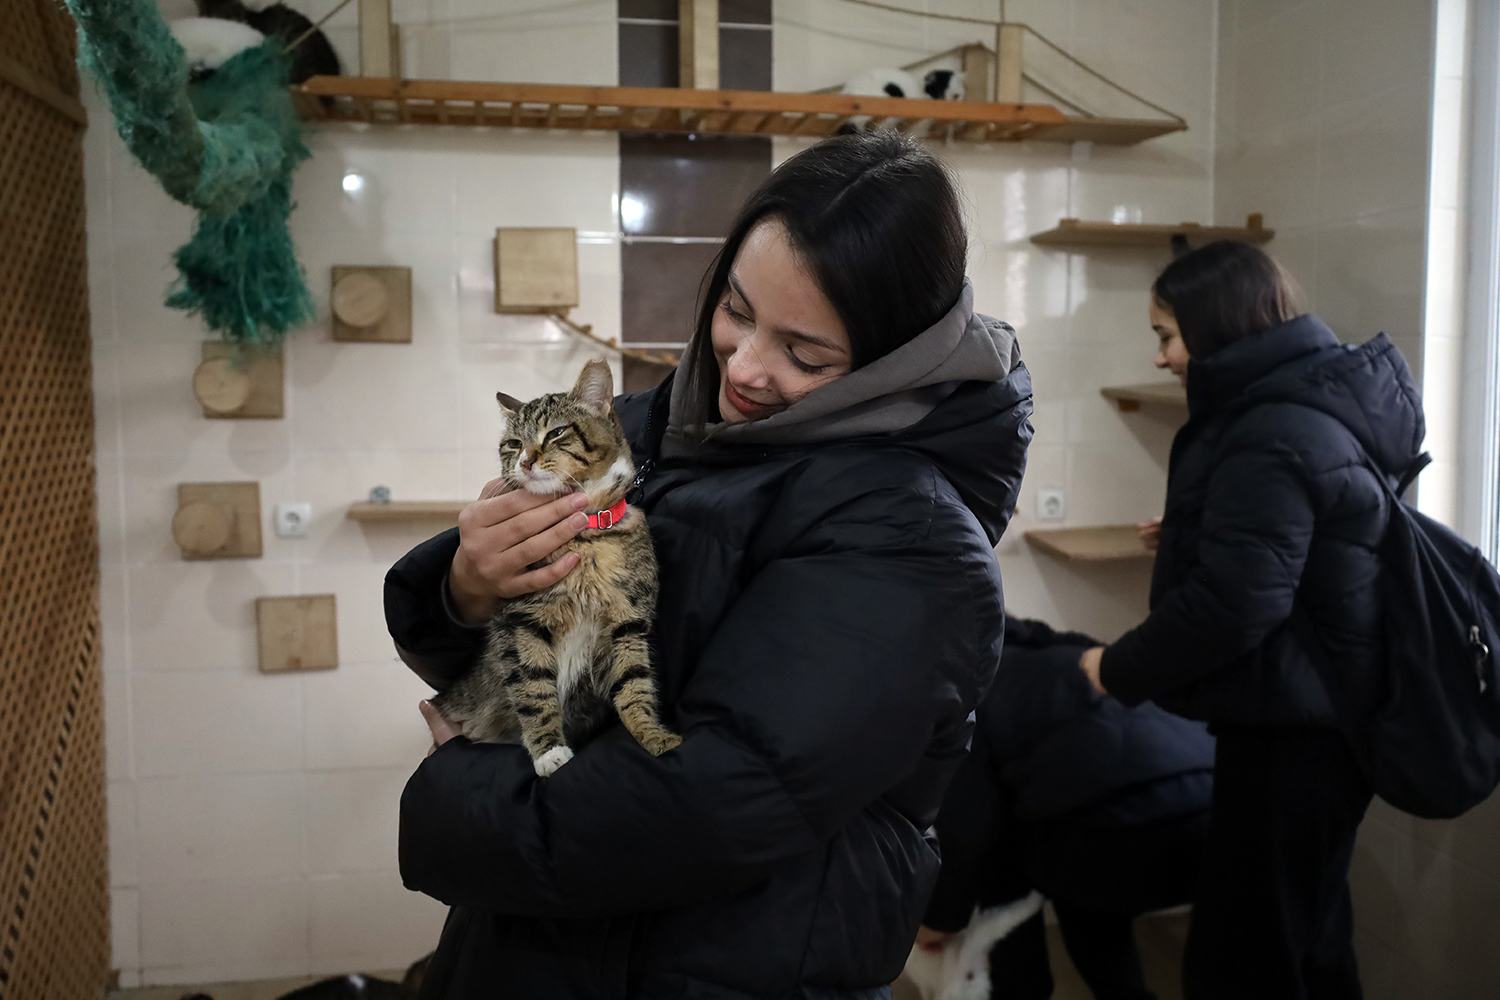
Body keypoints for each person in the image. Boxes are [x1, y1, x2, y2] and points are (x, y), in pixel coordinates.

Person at [384, 130, 1034, 999]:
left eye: (806, 354)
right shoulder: (648, 430)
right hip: (548, 940)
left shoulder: (910, 542)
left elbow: (712, 800)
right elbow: (542, 660)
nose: (747, 367)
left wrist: (460, 790)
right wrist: (469, 588)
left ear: (893, 358)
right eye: (736, 309)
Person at [1076, 241, 1425, 1000]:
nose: (1163, 358)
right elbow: (1328, 542)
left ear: (1213, 325)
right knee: (1311, 940)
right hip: (1329, 717)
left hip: (1293, 733)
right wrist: (1202, 533)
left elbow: (1236, 606)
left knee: (1244, 962)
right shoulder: (1318, 398)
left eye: (1166, 335)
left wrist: (1117, 667)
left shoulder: (1270, 426)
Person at [915, 617, 1214, 1000]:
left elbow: (968, 832)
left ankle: (1021, 992)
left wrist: (938, 921)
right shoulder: (1068, 657)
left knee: (1010, 851)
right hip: (1223, 825)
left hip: (1134, 841)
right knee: (1085, 861)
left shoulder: (964, 695)